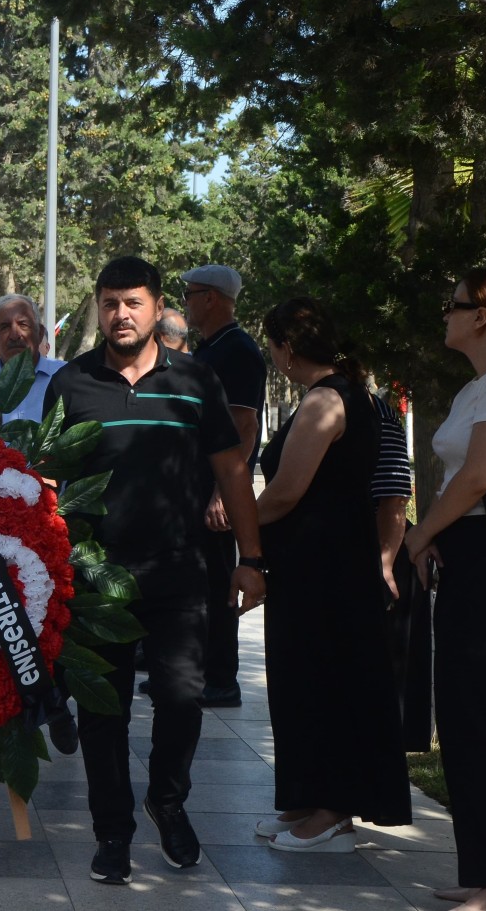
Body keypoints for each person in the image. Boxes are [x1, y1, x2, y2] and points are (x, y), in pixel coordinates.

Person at [42, 255, 265, 884]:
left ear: (156, 306)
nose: (121, 315)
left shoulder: (195, 380)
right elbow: (50, 480)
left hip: (179, 571)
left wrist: (251, 559)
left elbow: (230, 472)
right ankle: (111, 830)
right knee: (103, 712)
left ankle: (167, 802)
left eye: (133, 302)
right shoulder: (72, 383)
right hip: (94, 580)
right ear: (99, 307)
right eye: (110, 303)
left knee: (181, 698)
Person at [252, 297, 411, 853]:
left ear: (286, 349)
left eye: (272, 347)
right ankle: (305, 795)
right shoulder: (346, 393)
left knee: (327, 684)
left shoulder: (327, 399)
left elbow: (288, 490)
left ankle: (336, 810)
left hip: (328, 570)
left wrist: (237, 528)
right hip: (312, 568)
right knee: (298, 684)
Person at [404, 269, 486, 911]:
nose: (445, 314)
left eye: (452, 305)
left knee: (477, 714)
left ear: (481, 317)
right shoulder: (480, 386)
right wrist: (433, 537)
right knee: (461, 715)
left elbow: (482, 475)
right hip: (471, 553)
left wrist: (418, 532)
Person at [179, 264, 266, 708]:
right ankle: (191, 673)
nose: (185, 303)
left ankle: (220, 678)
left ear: (211, 298)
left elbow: (243, 426)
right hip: (193, 487)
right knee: (195, 585)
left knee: (216, 586)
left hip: (214, 491)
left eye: (189, 294)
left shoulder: (239, 351)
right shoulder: (210, 348)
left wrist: (221, 492)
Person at [0, 293, 66, 423]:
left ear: (40, 333)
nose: (15, 335)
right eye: (5, 327)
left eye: (23, 324)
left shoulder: (67, 376)